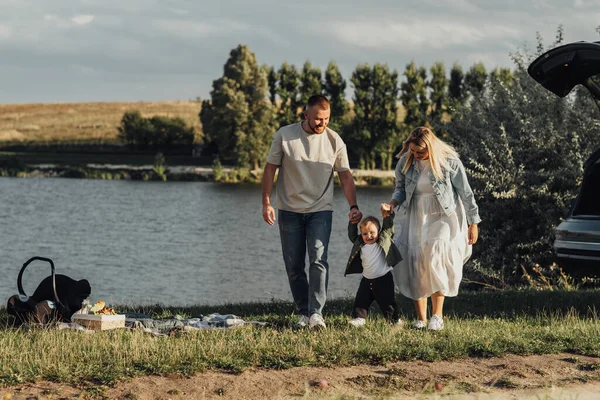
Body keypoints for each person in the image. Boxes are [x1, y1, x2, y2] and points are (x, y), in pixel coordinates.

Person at [262, 94, 362, 330]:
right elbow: (269, 170)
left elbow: (346, 176)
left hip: (320, 209)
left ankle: (316, 313)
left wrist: (354, 206)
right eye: (318, 119)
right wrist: (266, 202)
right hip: (288, 210)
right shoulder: (285, 135)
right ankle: (302, 311)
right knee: (294, 264)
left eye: (326, 119)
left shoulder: (334, 140)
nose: (322, 123)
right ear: (305, 115)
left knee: (318, 259)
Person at [386, 126, 480, 331]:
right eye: (413, 151)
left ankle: (437, 316)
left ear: (431, 147)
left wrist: (474, 223)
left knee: (436, 254)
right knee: (417, 260)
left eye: (421, 152)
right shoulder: (406, 162)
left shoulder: (449, 162)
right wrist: (392, 204)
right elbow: (400, 190)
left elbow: (466, 193)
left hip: (444, 214)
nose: (417, 155)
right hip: (416, 214)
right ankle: (421, 318)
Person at [344, 203, 403, 327]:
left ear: (378, 231)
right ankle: (359, 318)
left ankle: (394, 321)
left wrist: (388, 216)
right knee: (361, 301)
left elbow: (388, 228)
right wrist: (353, 222)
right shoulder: (360, 242)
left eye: (372, 232)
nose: (368, 236)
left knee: (387, 303)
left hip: (383, 279)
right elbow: (352, 235)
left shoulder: (383, 238)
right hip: (366, 279)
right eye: (365, 233)